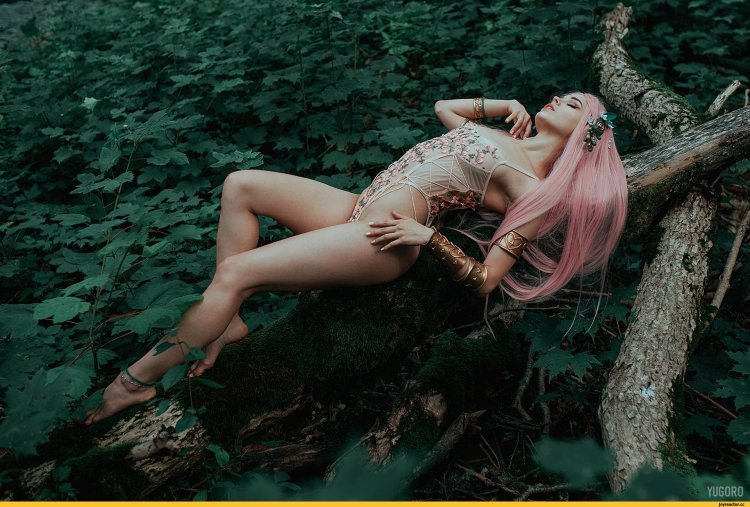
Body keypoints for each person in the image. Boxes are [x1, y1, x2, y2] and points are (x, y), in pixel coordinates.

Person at [83, 92, 627, 425]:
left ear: (585, 136)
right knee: (241, 184)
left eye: (571, 104)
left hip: (382, 240)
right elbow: (444, 107)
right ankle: (229, 322)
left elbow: (486, 280)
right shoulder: (495, 134)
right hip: (357, 207)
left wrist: (427, 237)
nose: (555, 98)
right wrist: (503, 106)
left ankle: (134, 382)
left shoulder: (533, 192)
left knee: (236, 272)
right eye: (559, 95)